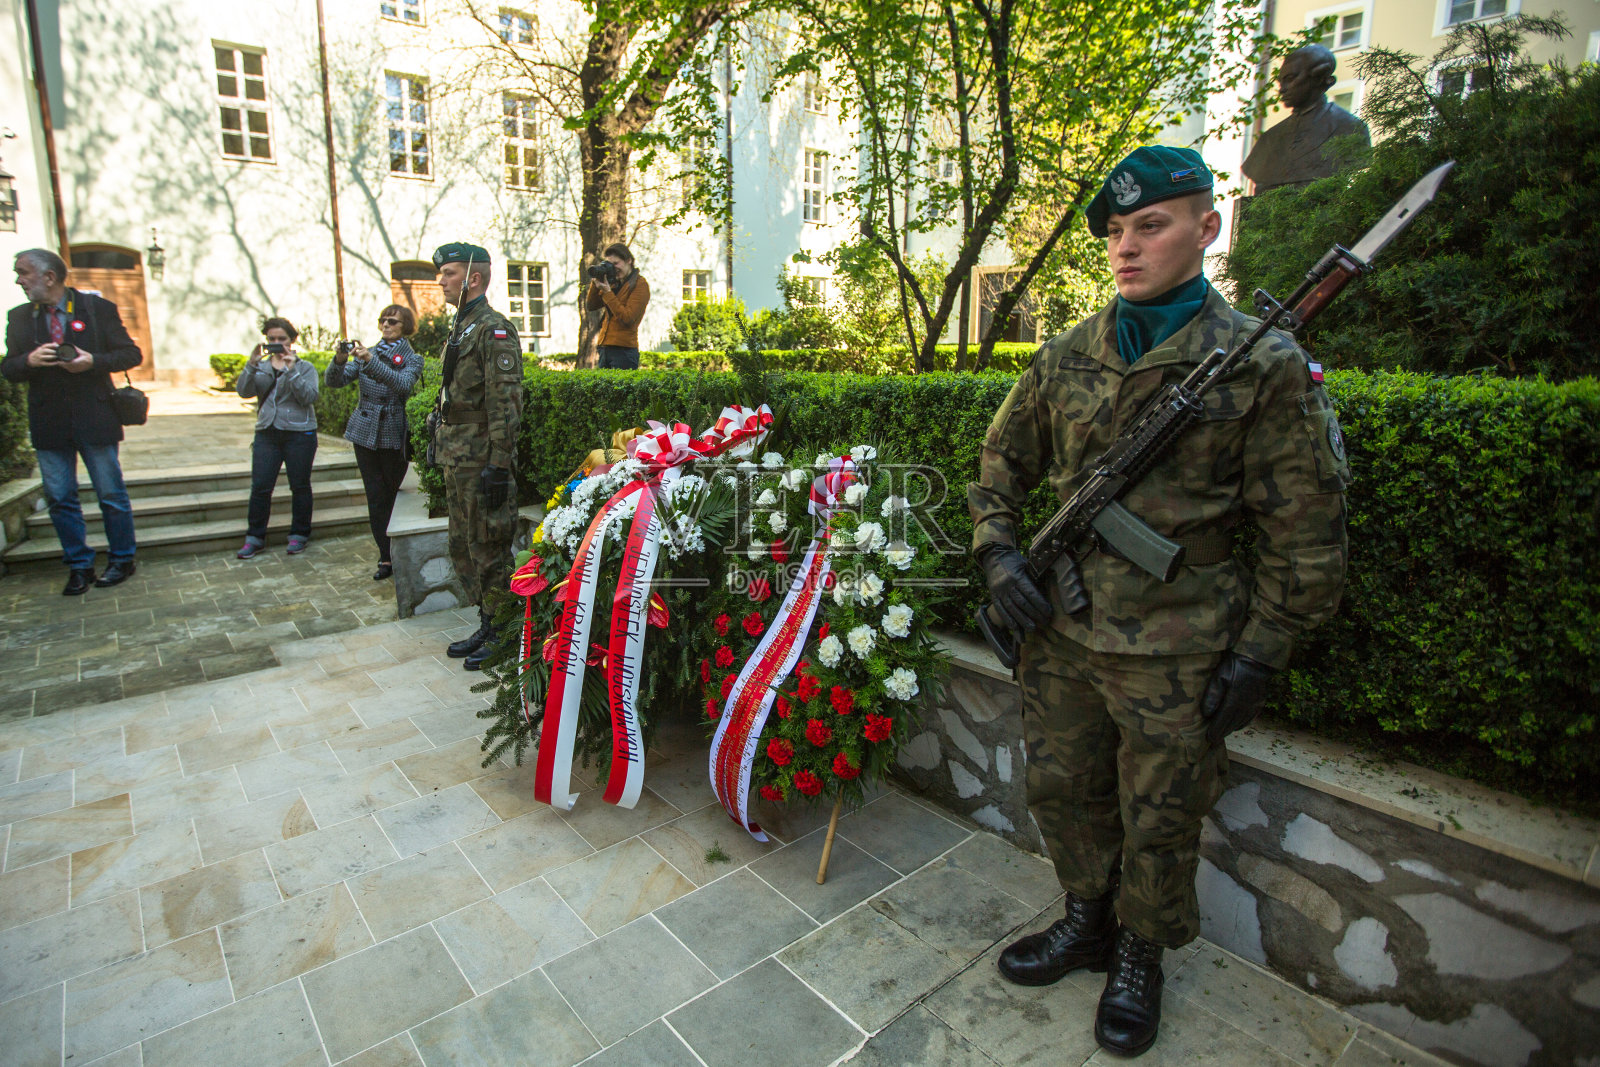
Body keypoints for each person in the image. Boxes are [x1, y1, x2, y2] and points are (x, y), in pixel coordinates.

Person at [967, 146, 1350, 1057]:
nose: (1126, 248)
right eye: (1115, 232)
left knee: (1162, 811)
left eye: (1151, 225)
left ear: (1207, 228)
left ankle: (1141, 950)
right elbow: (997, 467)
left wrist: (1261, 651)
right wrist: (1000, 557)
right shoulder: (1066, 355)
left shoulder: (1261, 366)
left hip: (1177, 649)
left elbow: (1306, 530)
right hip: (1059, 628)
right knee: (1063, 786)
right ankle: (1086, 919)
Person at [3, 249, 142, 595]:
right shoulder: (20, 317)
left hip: (95, 417)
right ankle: (79, 566)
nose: (18, 280)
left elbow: (130, 354)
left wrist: (92, 361)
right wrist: (30, 361)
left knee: (110, 494)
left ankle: (122, 559)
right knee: (60, 497)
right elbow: (8, 369)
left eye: (23, 273)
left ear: (49, 277)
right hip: (49, 422)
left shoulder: (97, 309)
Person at [431, 242, 523, 670]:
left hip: (483, 457)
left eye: (448, 272)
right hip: (457, 455)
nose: (441, 280)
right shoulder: (462, 326)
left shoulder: (493, 328)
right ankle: (488, 620)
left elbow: (505, 402)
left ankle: (506, 630)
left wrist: (499, 464)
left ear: (473, 278)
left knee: (489, 545)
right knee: (464, 545)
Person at [325, 305, 423, 580]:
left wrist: (370, 360)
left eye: (393, 321)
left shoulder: (413, 359)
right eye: (383, 320)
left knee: (391, 493)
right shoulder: (366, 352)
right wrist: (340, 359)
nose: (386, 325)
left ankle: (396, 550)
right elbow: (334, 382)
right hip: (364, 430)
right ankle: (385, 556)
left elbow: (402, 384)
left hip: (393, 430)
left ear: (406, 327)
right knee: (375, 495)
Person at [235, 317, 320, 558]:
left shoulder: (305, 367)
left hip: (299, 433)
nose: (276, 343)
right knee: (260, 486)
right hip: (267, 432)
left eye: (281, 339)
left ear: (292, 340)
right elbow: (243, 391)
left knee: (300, 485)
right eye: (271, 339)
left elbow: (309, 397)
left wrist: (291, 370)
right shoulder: (261, 366)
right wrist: (251, 365)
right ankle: (255, 537)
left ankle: (300, 534)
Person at [1242, 44, 1371, 195]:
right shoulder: (1269, 139)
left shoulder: (1350, 129)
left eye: (1290, 79)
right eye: (1280, 82)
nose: (1282, 89)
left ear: (1318, 78)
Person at [584, 243, 650, 369]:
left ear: (629, 261)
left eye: (616, 263)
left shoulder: (640, 285)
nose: (613, 269)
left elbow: (627, 318)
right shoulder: (613, 283)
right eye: (610, 264)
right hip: (604, 348)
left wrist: (608, 292)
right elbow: (591, 305)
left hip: (624, 351)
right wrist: (596, 283)